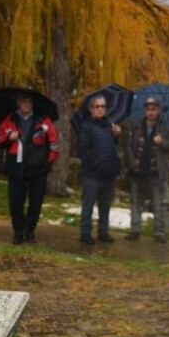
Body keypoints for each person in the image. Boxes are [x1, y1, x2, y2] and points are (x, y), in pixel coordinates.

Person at [0, 93, 59, 244]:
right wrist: (8, 138)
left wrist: (48, 162)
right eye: (23, 101)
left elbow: (54, 143)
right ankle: (18, 231)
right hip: (16, 168)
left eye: (29, 101)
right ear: (17, 102)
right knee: (15, 202)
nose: (26, 104)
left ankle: (30, 230)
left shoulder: (43, 120)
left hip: (38, 169)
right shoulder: (10, 120)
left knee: (36, 202)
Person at [122, 97, 169, 242]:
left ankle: (159, 232)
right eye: (148, 109)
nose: (151, 112)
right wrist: (131, 162)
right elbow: (127, 145)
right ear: (145, 110)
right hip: (138, 171)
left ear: (158, 110)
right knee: (135, 203)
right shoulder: (136, 126)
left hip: (156, 172)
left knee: (158, 204)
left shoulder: (166, 127)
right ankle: (135, 230)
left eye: (154, 109)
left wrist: (162, 142)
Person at [75, 94, 121, 245]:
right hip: (93, 174)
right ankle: (85, 232)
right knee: (88, 204)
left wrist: (116, 136)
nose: (101, 109)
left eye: (103, 106)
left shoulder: (109, 125)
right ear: (91, 109)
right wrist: (96, 164)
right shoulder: (86, 126)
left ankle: (103, 231)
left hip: (108, 173)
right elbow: (83, 150)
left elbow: (109, 146)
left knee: (105, 205)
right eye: (97, 106)